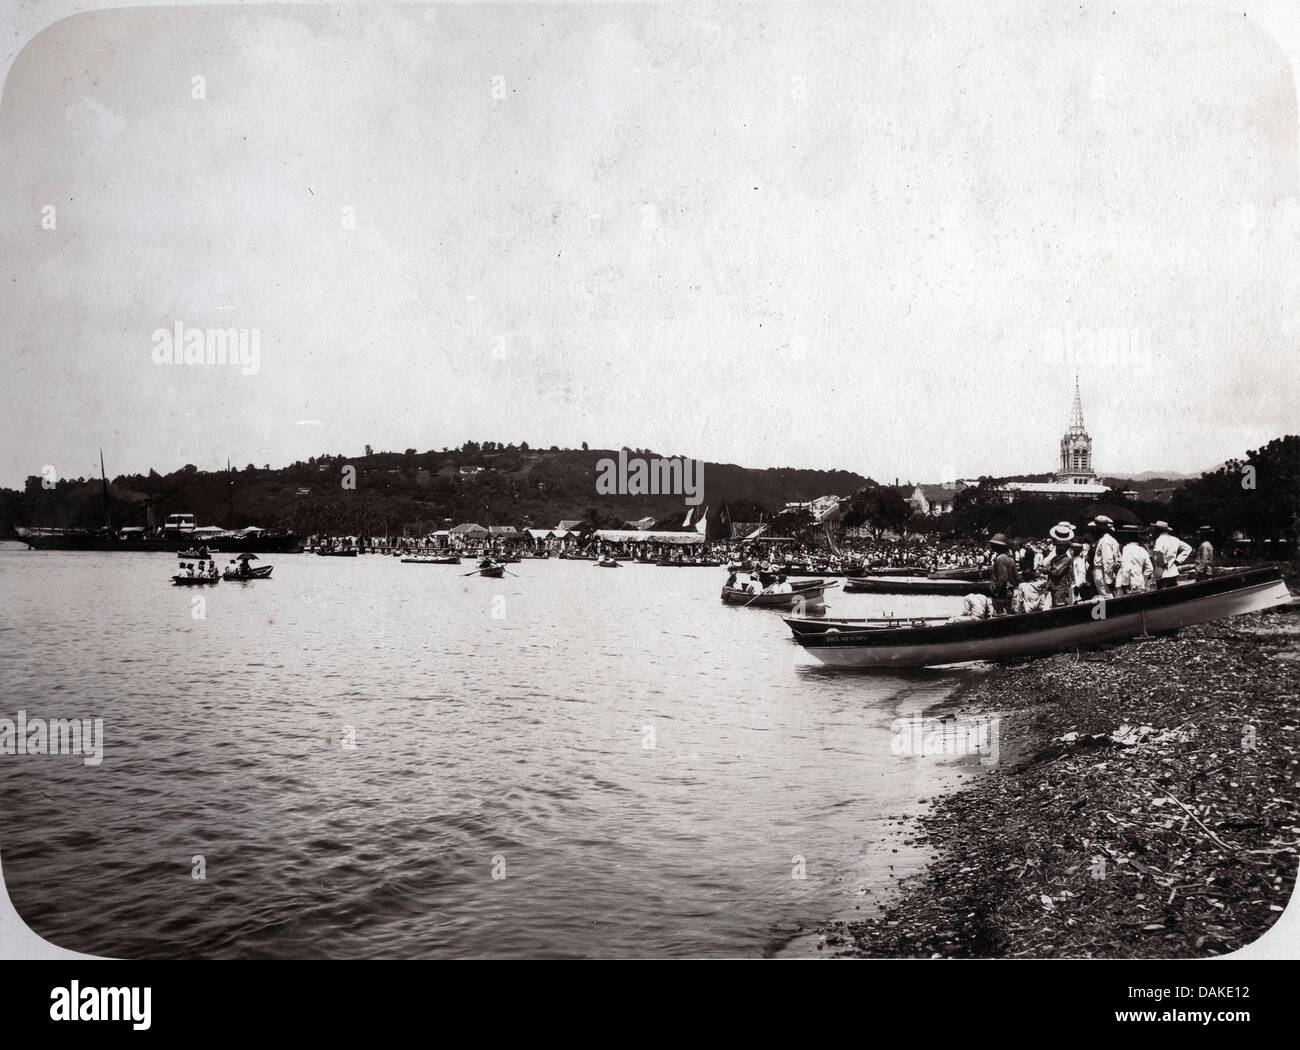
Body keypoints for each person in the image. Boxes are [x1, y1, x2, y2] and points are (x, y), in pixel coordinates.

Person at [1151, 521, 1193, 590]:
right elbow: (1188, 548)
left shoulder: (1160, 540)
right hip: (1173, 571)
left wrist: (1162, 564)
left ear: (1158, 530)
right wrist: (1178, 560)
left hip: (1162, 573)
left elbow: (1159, 553)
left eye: (1155, 529)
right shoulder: (1175, 539)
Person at [1045, 522, 1076, 607]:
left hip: (1060, 588)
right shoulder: (1056, 558)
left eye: (1060, 546)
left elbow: (1056, 572)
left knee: (1060, 608)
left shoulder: (1066, 559)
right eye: (1057, 546)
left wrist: (1047, 569)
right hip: (1054, 587)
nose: (1057, 548)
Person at [1115, 526, 1153, 595]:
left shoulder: (1126, 549)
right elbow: (1150, 568)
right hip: (1140, 582)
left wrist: (1125, 585)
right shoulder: (1142, 550)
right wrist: (1143, 578)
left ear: (1128, 536)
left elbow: (1126, 568)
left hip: (1129, 584)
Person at [988, 534, 1019, 615]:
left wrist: (996, 592)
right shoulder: (1010, 559)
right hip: (1009, 592)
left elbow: (1002, 578)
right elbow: (1016, 577)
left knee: (1000, 616)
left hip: (1001, 594)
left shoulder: (1000, 559)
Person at [1091, 516, 1121, 598]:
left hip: (1103, 574)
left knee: (1107, 597)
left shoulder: (1105, 541)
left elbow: (1108, 561)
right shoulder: (1109, 540)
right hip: (1107, 573)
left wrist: (1109, 580)